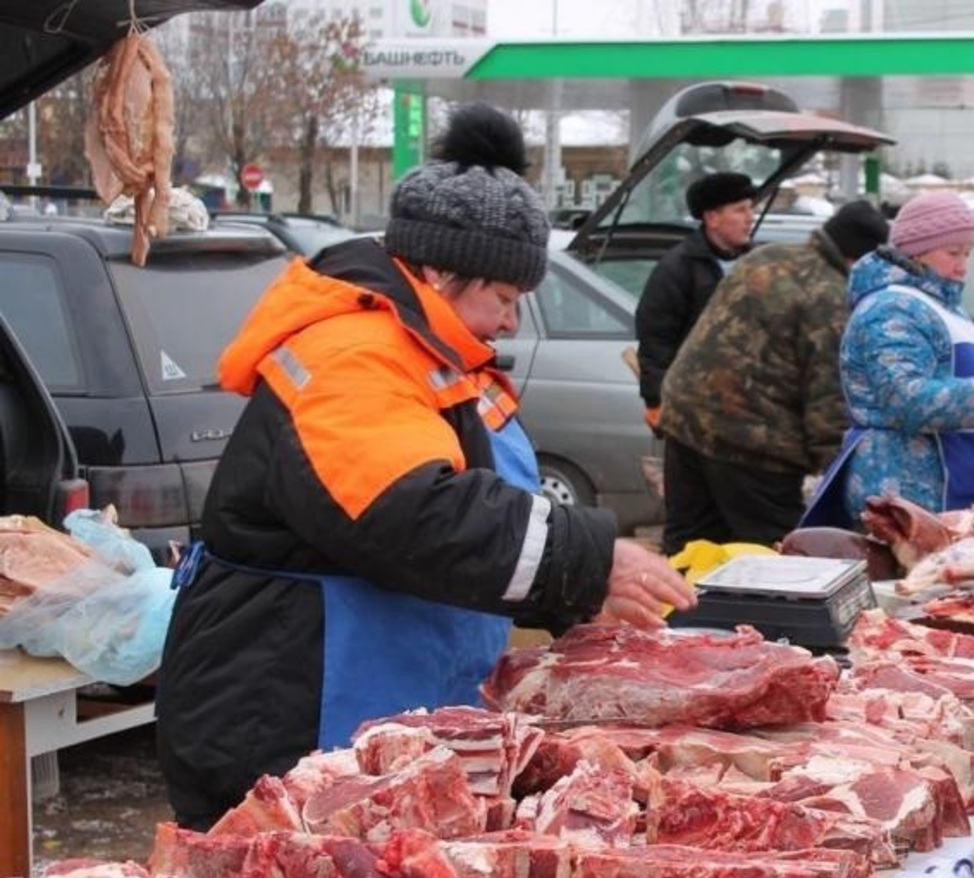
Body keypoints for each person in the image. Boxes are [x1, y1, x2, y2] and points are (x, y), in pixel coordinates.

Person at [156, 104, 695, 831]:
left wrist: (566, 595)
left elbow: (491, 501)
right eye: (503, 298)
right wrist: (588, 558)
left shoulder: (435, 354)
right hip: (290, 701)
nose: (512, 322)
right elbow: (414, 512)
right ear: (440, 274)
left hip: (388, 696)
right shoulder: (350, 354)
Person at [656, 200, 890, 554]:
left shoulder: (768, 256)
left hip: (685, 417)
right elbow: (828, 400)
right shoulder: (830, 297)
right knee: (780, 555)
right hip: (751, 442)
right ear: (860, 258)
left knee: (690, 546)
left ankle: (677, 591)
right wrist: (840, 478)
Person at [800, 191, 974, 527]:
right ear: (917, 253)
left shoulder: (948, 309)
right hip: (907, 497)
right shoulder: (890, 308)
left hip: (959, 495)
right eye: (953, 252)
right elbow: (906, 399)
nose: (963, 265)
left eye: (968, 253)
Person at [634, 171, 757, 434]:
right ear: (712, 218)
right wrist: (656, 401)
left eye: (751, 208)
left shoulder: (759, 264)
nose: (750, 218)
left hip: (750, 409)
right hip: (695, 408)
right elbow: (656, 341)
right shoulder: (678, 268)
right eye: (740, 210)